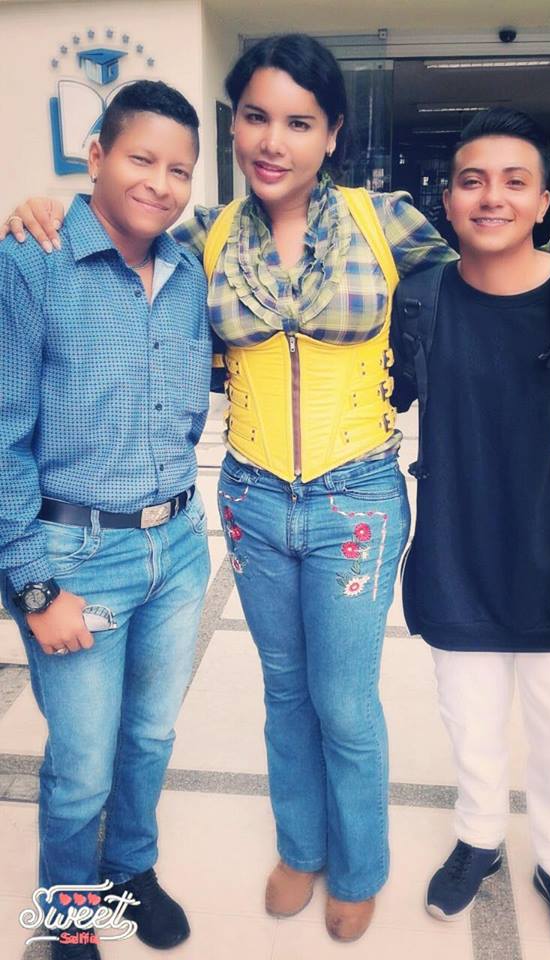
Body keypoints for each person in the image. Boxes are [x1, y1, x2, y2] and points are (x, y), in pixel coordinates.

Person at [5, 36, 550, 944]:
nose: (276, 141)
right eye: (257, 118)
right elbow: (114, 231)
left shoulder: (386, 222)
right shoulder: (204, 235)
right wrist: (43, 207)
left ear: (332, 134)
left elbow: (498, 269)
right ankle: (299, 848)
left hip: (358, 499)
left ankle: (358, 865)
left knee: (344, 703)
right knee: (281, 693)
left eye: (300, 122)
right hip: (252, 499)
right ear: (235, 129)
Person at [0, 81, 211, 960]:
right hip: (74, 556)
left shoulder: (190, 271)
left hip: (179, 548)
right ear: (95, 154)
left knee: (151, 737)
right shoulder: (32, 261)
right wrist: (33, 586)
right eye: (141, 159)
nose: (161, 184)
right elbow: (3, 435)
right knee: (81, 766)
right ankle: (70, 916)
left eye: (180, 170)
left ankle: (130, 869)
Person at [393, 108, 550, 958]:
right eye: (472, 181)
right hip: (458, 547)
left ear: (544, 202)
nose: (491, 197)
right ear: (447, 198)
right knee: (468, 721)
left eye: (513, 182)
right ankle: (480, 838)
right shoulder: (420, 296)